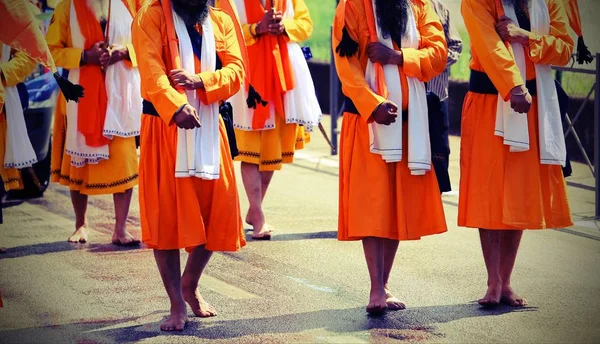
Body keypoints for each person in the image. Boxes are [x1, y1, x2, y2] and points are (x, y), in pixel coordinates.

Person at [132, 0, 246, 331]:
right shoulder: (150, 17)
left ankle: (190, 285)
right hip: (165, 126)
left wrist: (200, 81)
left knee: (219, 213)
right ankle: (175, 303)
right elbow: (152, 73)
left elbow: (237, 70)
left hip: (211, 125)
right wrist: (177, 106)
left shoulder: (221, 20)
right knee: (166, 217)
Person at [332, 0, 448, 315]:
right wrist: (373, 104)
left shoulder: (420, 6)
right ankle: (375, 288)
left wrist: (398, 57)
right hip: (368, 122)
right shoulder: (352, 7)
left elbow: (439, 52)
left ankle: (383, 284)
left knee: (396, 205)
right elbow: (347, 66)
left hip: (410, 122)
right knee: (374, 204)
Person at [459, 0, 574, 307]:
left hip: (533, 105)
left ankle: (506, 281)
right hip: (490, 103)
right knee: (490, 193)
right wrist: (514, 87)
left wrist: (525, 36)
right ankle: (493, 282)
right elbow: (490, 47)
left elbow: (564, 48)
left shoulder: (548, 2)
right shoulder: (477, 2)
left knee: (519, 192)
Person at [46, 0, 146, 245]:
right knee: (80, 164)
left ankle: (120, 229)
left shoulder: (135, 4)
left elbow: (149, 41)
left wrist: (124, 52)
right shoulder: (66, 8)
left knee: (124, 161)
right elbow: (49, 50)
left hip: (121, 98)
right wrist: (83, 56)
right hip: (81, 97)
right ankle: (81, 224)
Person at [224, 0, 322, 240]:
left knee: (272, 149)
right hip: (249, 78)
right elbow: (224, 35)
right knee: (251, 150)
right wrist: (256, 29)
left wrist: (284, 27)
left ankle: (254, 209)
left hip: (283, 77)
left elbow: (305, 25)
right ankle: (257, 215)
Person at [428, 0, 462, 193]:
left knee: (439, 153)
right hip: (407, 98)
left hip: (437, 95)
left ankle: (434, 207)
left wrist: (429, 63)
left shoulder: (440, 8)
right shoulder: (396, 7)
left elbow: (456, 46)